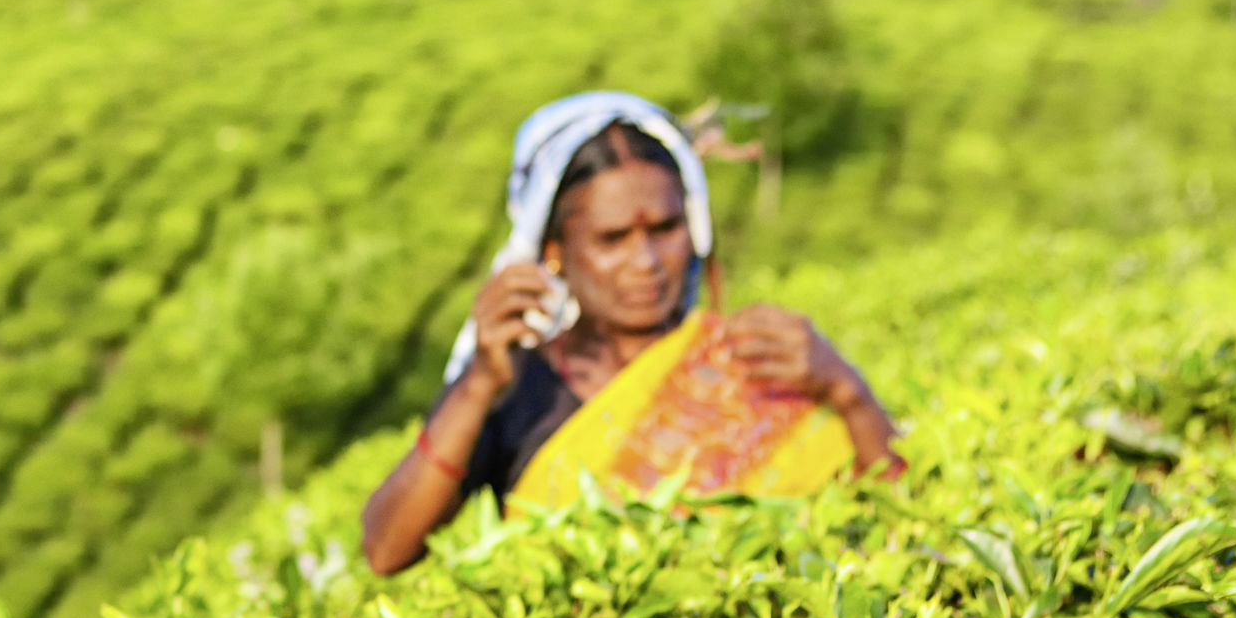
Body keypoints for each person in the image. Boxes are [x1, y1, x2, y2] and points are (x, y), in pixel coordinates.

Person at [362, 92, 901, 575]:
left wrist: (845, 389)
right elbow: (387, 550)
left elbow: (897, 516)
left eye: (665, 229)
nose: (646, 262)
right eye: (612, 238)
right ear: (554, 251)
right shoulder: (519, 389)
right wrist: (477, 384)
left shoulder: (744, 359)